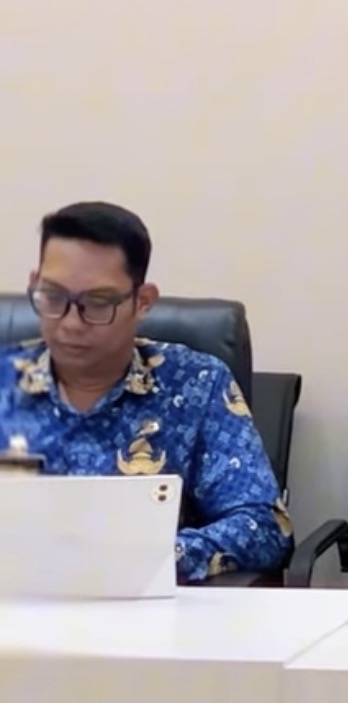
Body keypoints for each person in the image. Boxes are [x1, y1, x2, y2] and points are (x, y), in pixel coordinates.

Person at [0, 201, 292, 584]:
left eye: (97, 304)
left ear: (143, 302)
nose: (71, 323)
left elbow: (264, 526)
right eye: (52, 297)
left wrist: (150, 557)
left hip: (145, 606)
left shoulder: (196, 384)